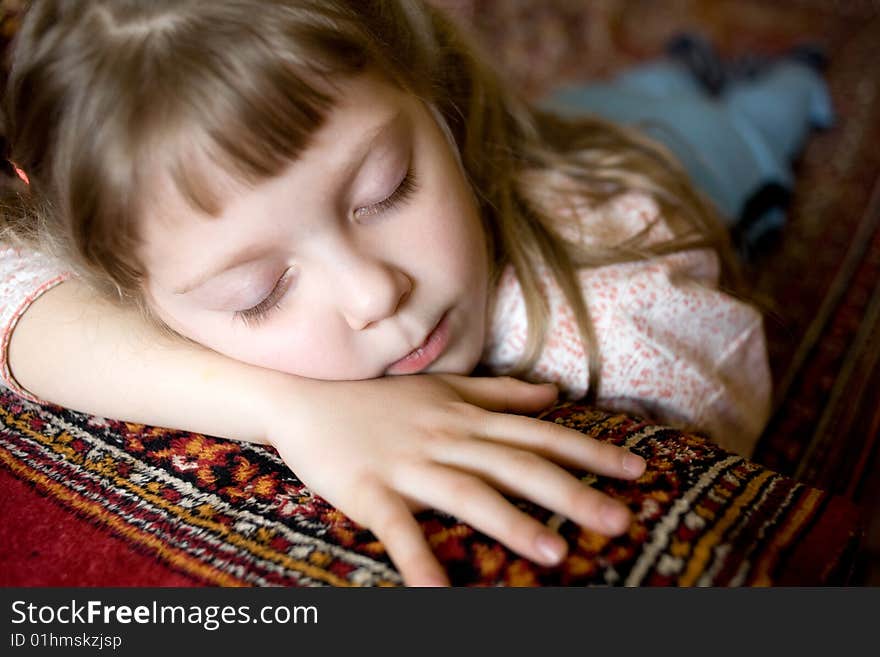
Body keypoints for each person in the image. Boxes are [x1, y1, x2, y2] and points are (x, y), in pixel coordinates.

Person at [0, 0, 771, 586]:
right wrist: (289, 408)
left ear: (430, 97)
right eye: (258, 292)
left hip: (658, 163)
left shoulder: (624, 326)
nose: (374, 293)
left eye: (386, 189)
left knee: (742, 116)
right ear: (116, 275)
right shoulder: (111, 248)